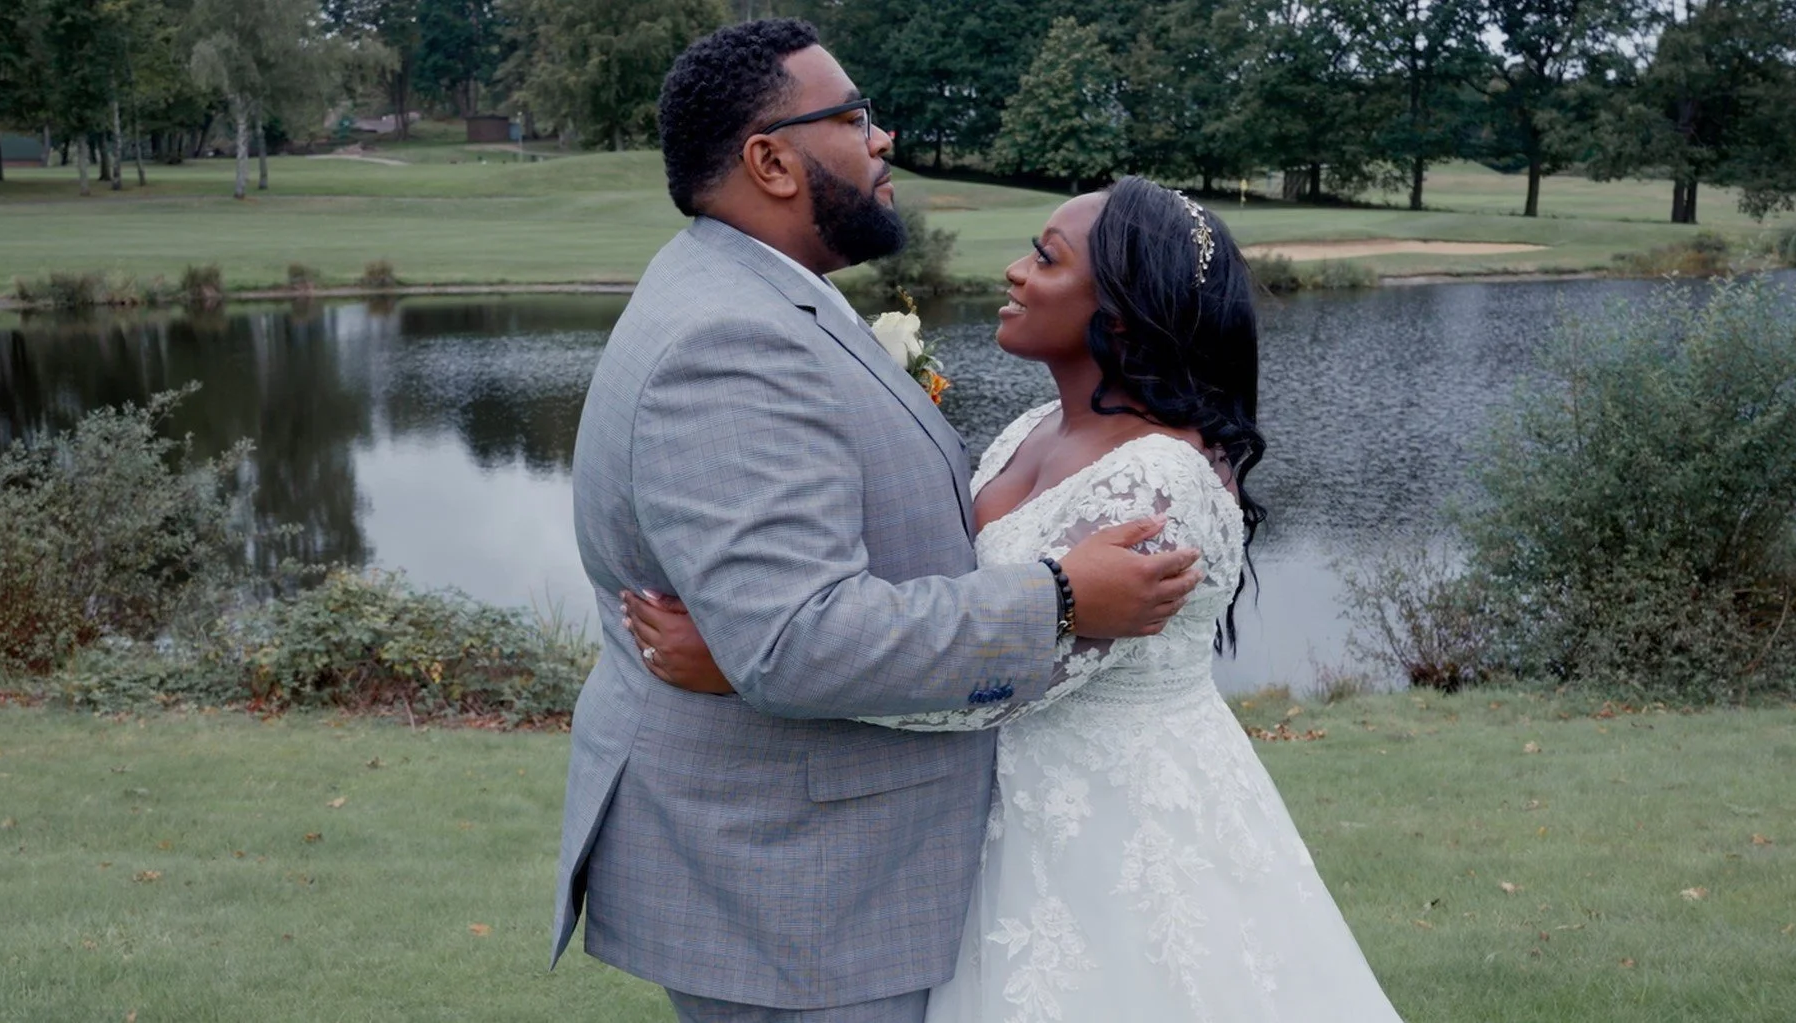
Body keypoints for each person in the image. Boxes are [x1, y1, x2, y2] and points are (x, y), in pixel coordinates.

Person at [628, 177, 1410, 1021]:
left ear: (1119, 308)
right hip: (997, 816)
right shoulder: (1031, 428)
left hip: (1109, 834)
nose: (1011, 270)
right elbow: (947, 601)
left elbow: (985, 687)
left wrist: (748, 665)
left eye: (1044, 257)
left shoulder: (1156, 485)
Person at [551, 20, 1206, 1023]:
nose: (882, 138)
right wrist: (1064, 599)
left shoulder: (759, 296)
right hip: (806, 903)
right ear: (769, 161)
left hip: (836, 886)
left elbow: (768, 631)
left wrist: (739, 648)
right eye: (853, 118)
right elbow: (796, 640)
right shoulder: (729, 340)